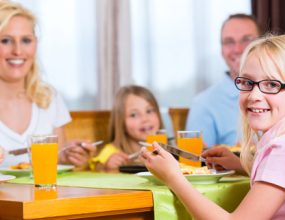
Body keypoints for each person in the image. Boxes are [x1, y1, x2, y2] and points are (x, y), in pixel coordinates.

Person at [140, 33, 285, 219]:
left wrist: (174, 178)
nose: (254, 96)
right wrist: (240, 164)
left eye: (271, 84)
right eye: (247, 82)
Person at [0, 0, 95, 169]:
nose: (18, 51)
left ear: (35, 43)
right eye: (5, 40)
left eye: (26, 40)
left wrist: (66, 157)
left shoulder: (49, 97)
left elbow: (55, 162)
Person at [186, 14, 261, 148]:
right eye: (229, 42)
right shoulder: (203, 104)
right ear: (221, 50)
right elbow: (195, 163)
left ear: (263, 44)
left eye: (246, 40)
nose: (238, 49)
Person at [90, 85, 164, 172]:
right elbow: (95, 168)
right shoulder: (111, 151)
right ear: (121, 123)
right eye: (134, 115)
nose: (145, 119)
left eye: (149, 111)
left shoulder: (165, 150)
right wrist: (106, 166)